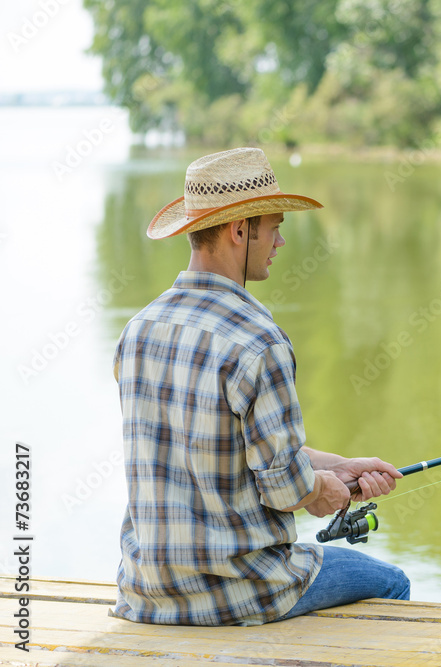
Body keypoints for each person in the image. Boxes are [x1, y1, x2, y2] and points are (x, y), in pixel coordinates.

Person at [111, 147, 409, 626]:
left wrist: (341, 467)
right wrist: (324, 493)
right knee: (392, 581)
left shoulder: (138, 330)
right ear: (239, 229)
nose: (281, 241)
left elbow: (234, 450)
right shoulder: (258, 339)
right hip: (242, 591)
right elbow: (283, 486)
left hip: (146, 590)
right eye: (274, 226)